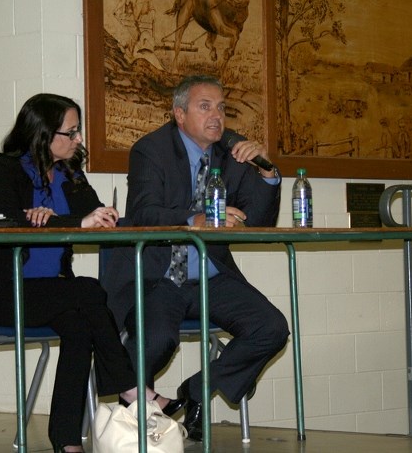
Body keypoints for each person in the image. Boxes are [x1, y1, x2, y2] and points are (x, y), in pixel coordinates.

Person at [0, 93, 183, 453]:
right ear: (43, 134)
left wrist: (97, 217)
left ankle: (67, 442)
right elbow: (11, 221)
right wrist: (70, 220)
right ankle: (130, 387)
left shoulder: (69, 172)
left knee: (79, 328)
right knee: (90, 290)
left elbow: (92, 214)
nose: (78, 140)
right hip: (0, 289)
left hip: (52, 290)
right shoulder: (6, 167)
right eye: (71, 132)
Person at [102, 74, 290, 441]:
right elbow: (143, 214)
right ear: (179, 114)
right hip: (160, 277)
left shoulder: (231, 154)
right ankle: (133, 423)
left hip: (210, 276)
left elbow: (261, 222)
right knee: (156, 340)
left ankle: (199, 388)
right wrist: (194, 220)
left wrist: (267, 173)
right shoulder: (150, 150)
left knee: (272, 327)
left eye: (221, 108)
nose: (216, 116)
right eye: (205, 107)